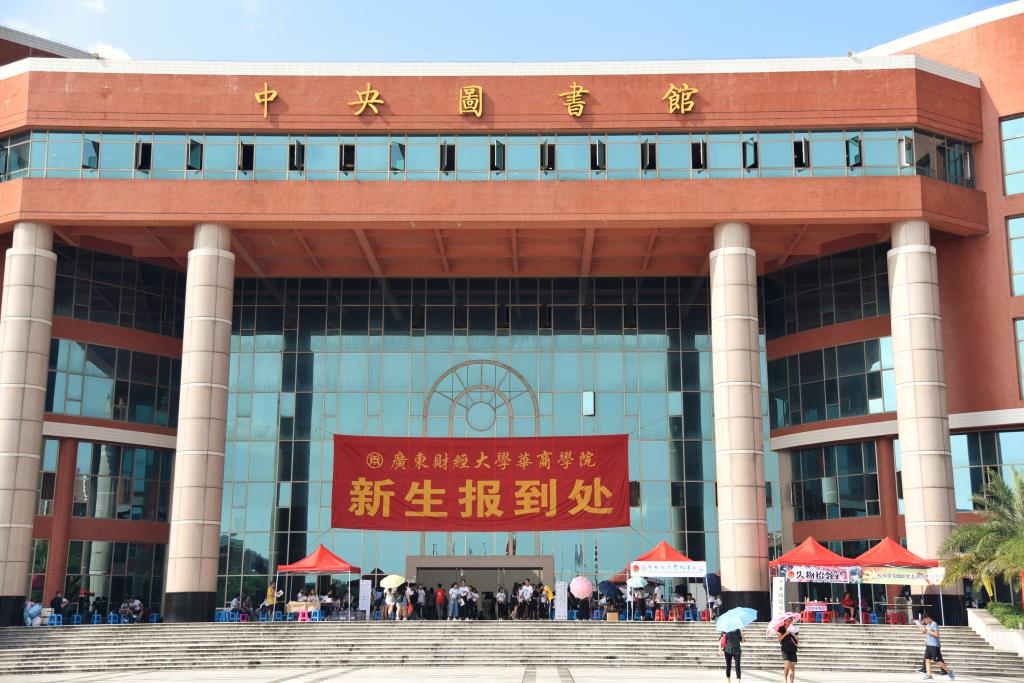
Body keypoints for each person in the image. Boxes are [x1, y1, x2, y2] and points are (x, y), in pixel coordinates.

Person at [917, 614, 955, 680]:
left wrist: (927, 631)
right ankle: (929, 675)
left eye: (925, 620)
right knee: (927, 659)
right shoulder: (928, 625)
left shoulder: (934, 624)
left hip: (934, 645)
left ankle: (949, 672)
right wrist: (922, 629)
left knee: (938, 661)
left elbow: (936, 634)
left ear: (928, 618)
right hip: (929, 645)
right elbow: (924, 633)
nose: (925, 622)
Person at [777, 616, 799, 683]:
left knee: (792, 668)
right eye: (787, 621)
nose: (789, 622)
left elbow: (798, 641)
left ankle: (792, 681)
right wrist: (786, 633)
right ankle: (785, 680)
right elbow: (779, 639)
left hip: (793, 650)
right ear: (784, 621)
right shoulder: (781, 628)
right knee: (787, 665)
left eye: (790, 621)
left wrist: (794, 635)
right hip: (785, 650)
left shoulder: (794, 629)